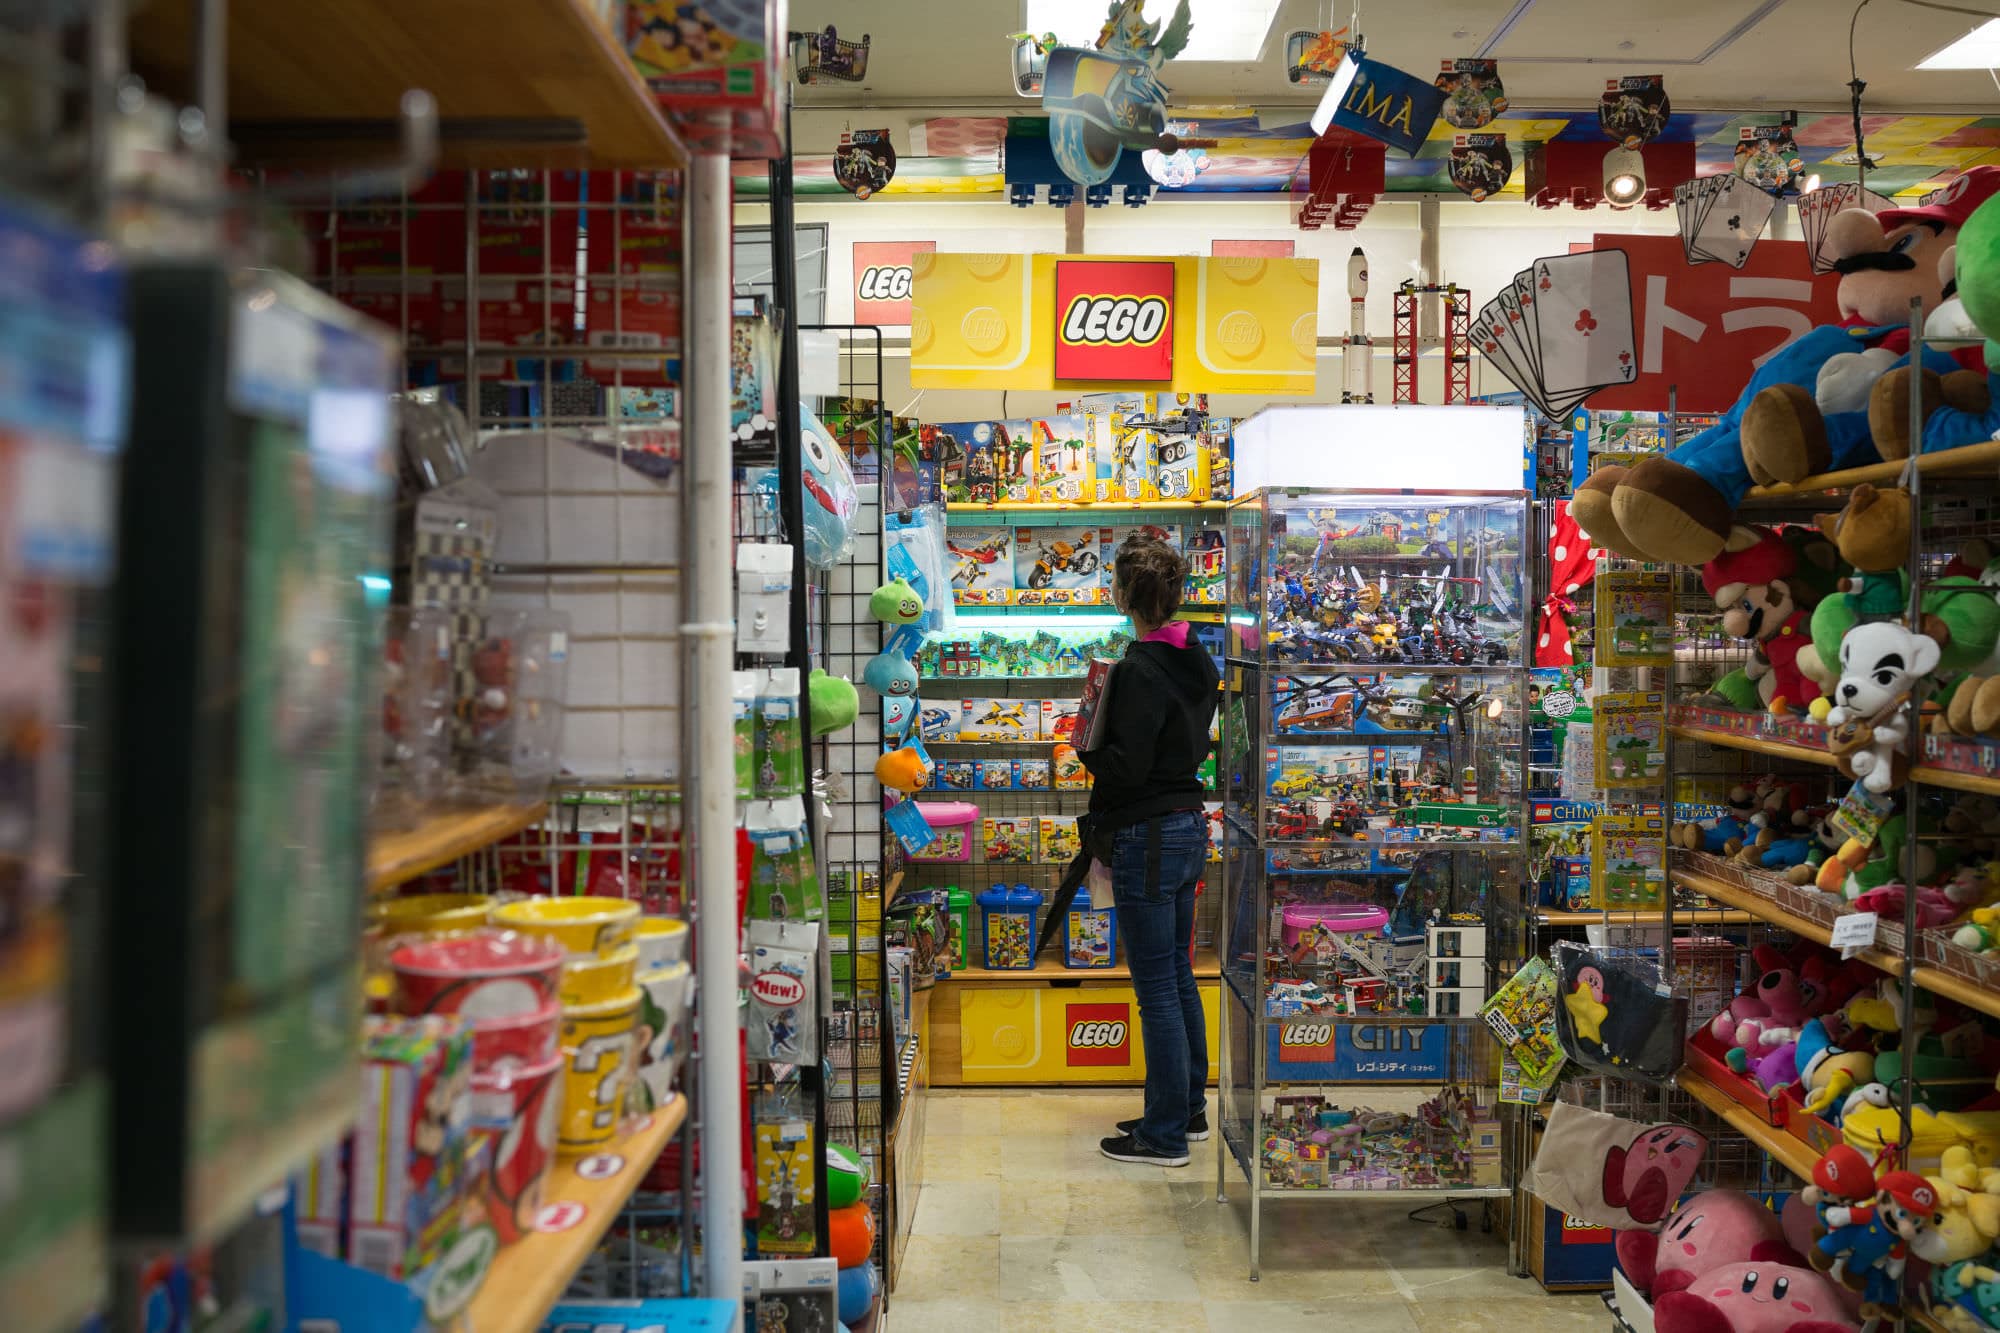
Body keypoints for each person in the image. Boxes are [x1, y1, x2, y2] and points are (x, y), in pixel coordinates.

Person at [1077, 534, 1221, 1166]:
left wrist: (1084, 746)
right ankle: (1185, 1110)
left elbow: (1127, 768)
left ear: (1123, 595)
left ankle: (1162, 1136)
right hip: (1187, 825)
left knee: (1157, 988)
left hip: (1148, 834)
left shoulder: (1138, 669)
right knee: (1178, 978)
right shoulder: (1197, 658)